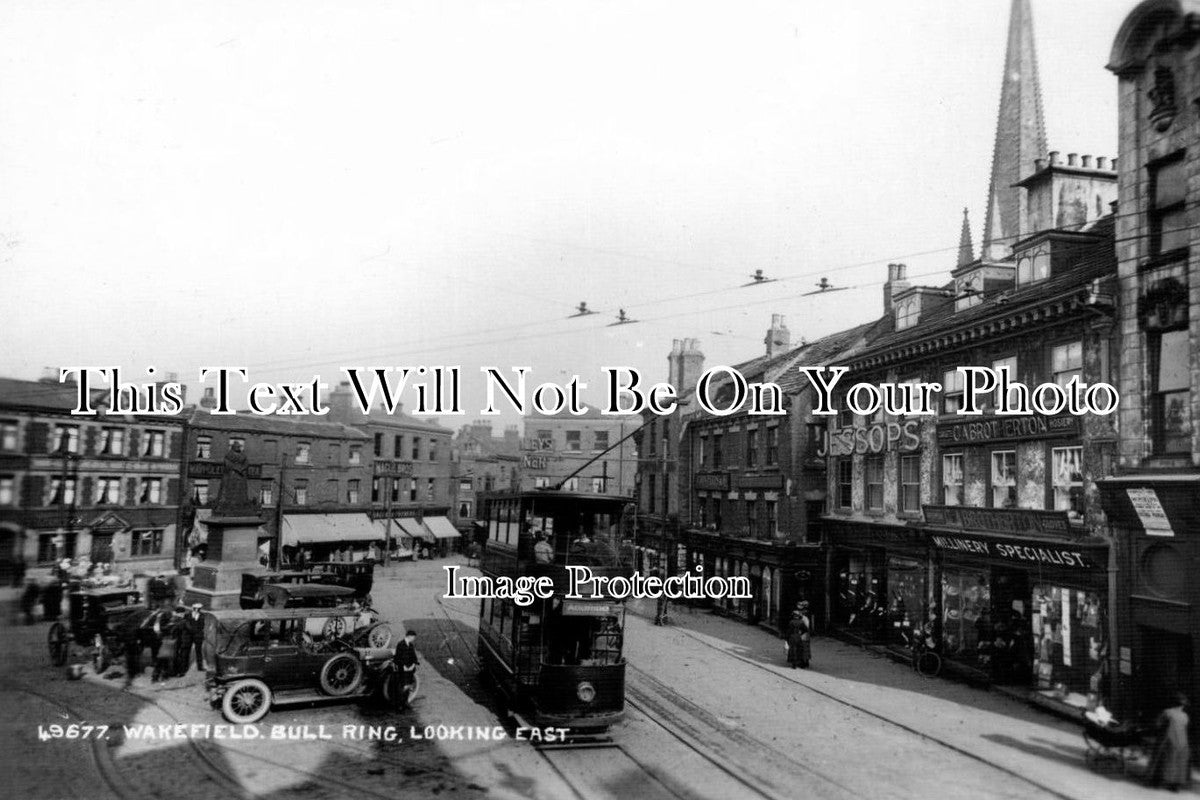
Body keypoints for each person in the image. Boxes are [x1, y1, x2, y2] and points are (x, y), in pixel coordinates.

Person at [1149, 693, 1191, 791]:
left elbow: (1157, 724)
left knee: (1162, 758)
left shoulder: (1167, 712)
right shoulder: (1185, 715)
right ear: (1183, 705)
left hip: (1168, 739)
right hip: (1182, 741)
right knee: (1179, 761)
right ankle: (1175, 785)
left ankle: (1157, 781)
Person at [392, 630, 420, 708]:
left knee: (408, 686)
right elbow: (398, 657)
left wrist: (413, 664)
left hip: (410, 668)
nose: (414, 639)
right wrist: (403, 666)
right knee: (402, 686)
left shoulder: (411, 645)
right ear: (409, 636)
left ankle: (405, 702)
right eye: (413, 637)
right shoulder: (400, 644)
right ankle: (399, 705)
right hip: (403, 669)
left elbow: (414, 656)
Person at [181, 602, 207, 672]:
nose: (197, 610)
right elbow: (185, 625)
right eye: (195, 608)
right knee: (186, 652)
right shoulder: (187, 615)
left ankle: (200, 666)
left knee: (199, 651)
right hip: (189, 636)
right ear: (193, 608)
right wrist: (192, 630)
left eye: (199, 609)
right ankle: (184, 668)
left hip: (198, 636)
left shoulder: (202, 616)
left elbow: (202, 626)